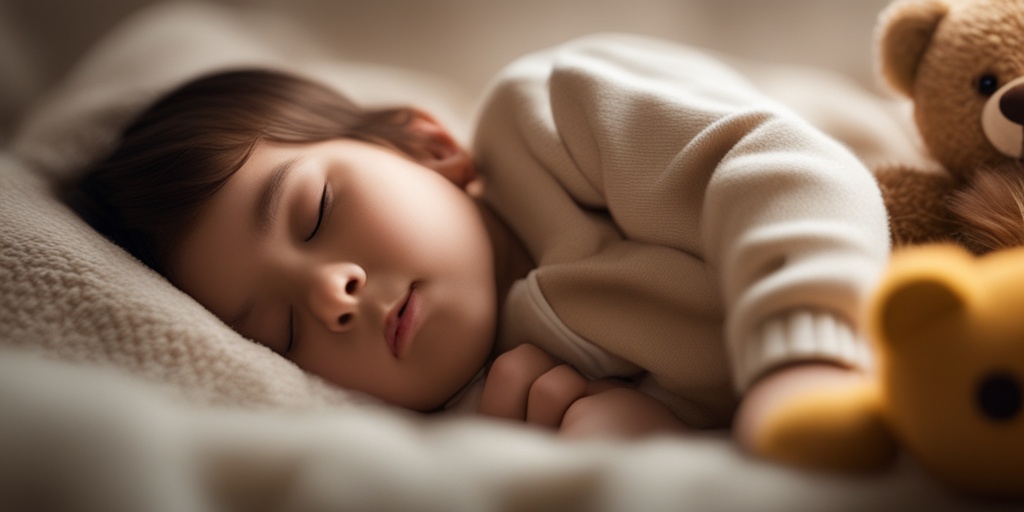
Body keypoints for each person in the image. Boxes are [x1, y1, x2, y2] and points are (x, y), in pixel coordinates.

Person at [64, 34, 890, 452]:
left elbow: (785, 170)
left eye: (314, 213)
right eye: (277, 332)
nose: (331, 294)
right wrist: (648, 446)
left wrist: (803, 360)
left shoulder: (554, 117)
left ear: (424, 142)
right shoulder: (489, 423)